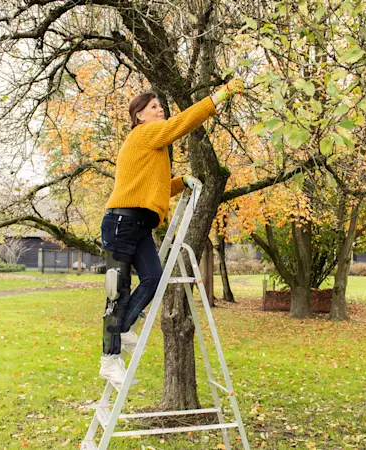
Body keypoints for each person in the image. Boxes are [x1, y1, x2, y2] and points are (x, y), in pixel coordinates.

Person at [99, 79, 244, 386]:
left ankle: (124, 329)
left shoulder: (152, 147)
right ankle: (109, 360)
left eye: (160, 106)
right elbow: (182, 123)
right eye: (153, 107)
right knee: (117, 295)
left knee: (154, 279)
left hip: (139, 225)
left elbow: (154, 189)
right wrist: (217, 98)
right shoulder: (145, 133)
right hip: (121, 224)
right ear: (139, 116)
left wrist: (180, 182)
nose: (160, 110)